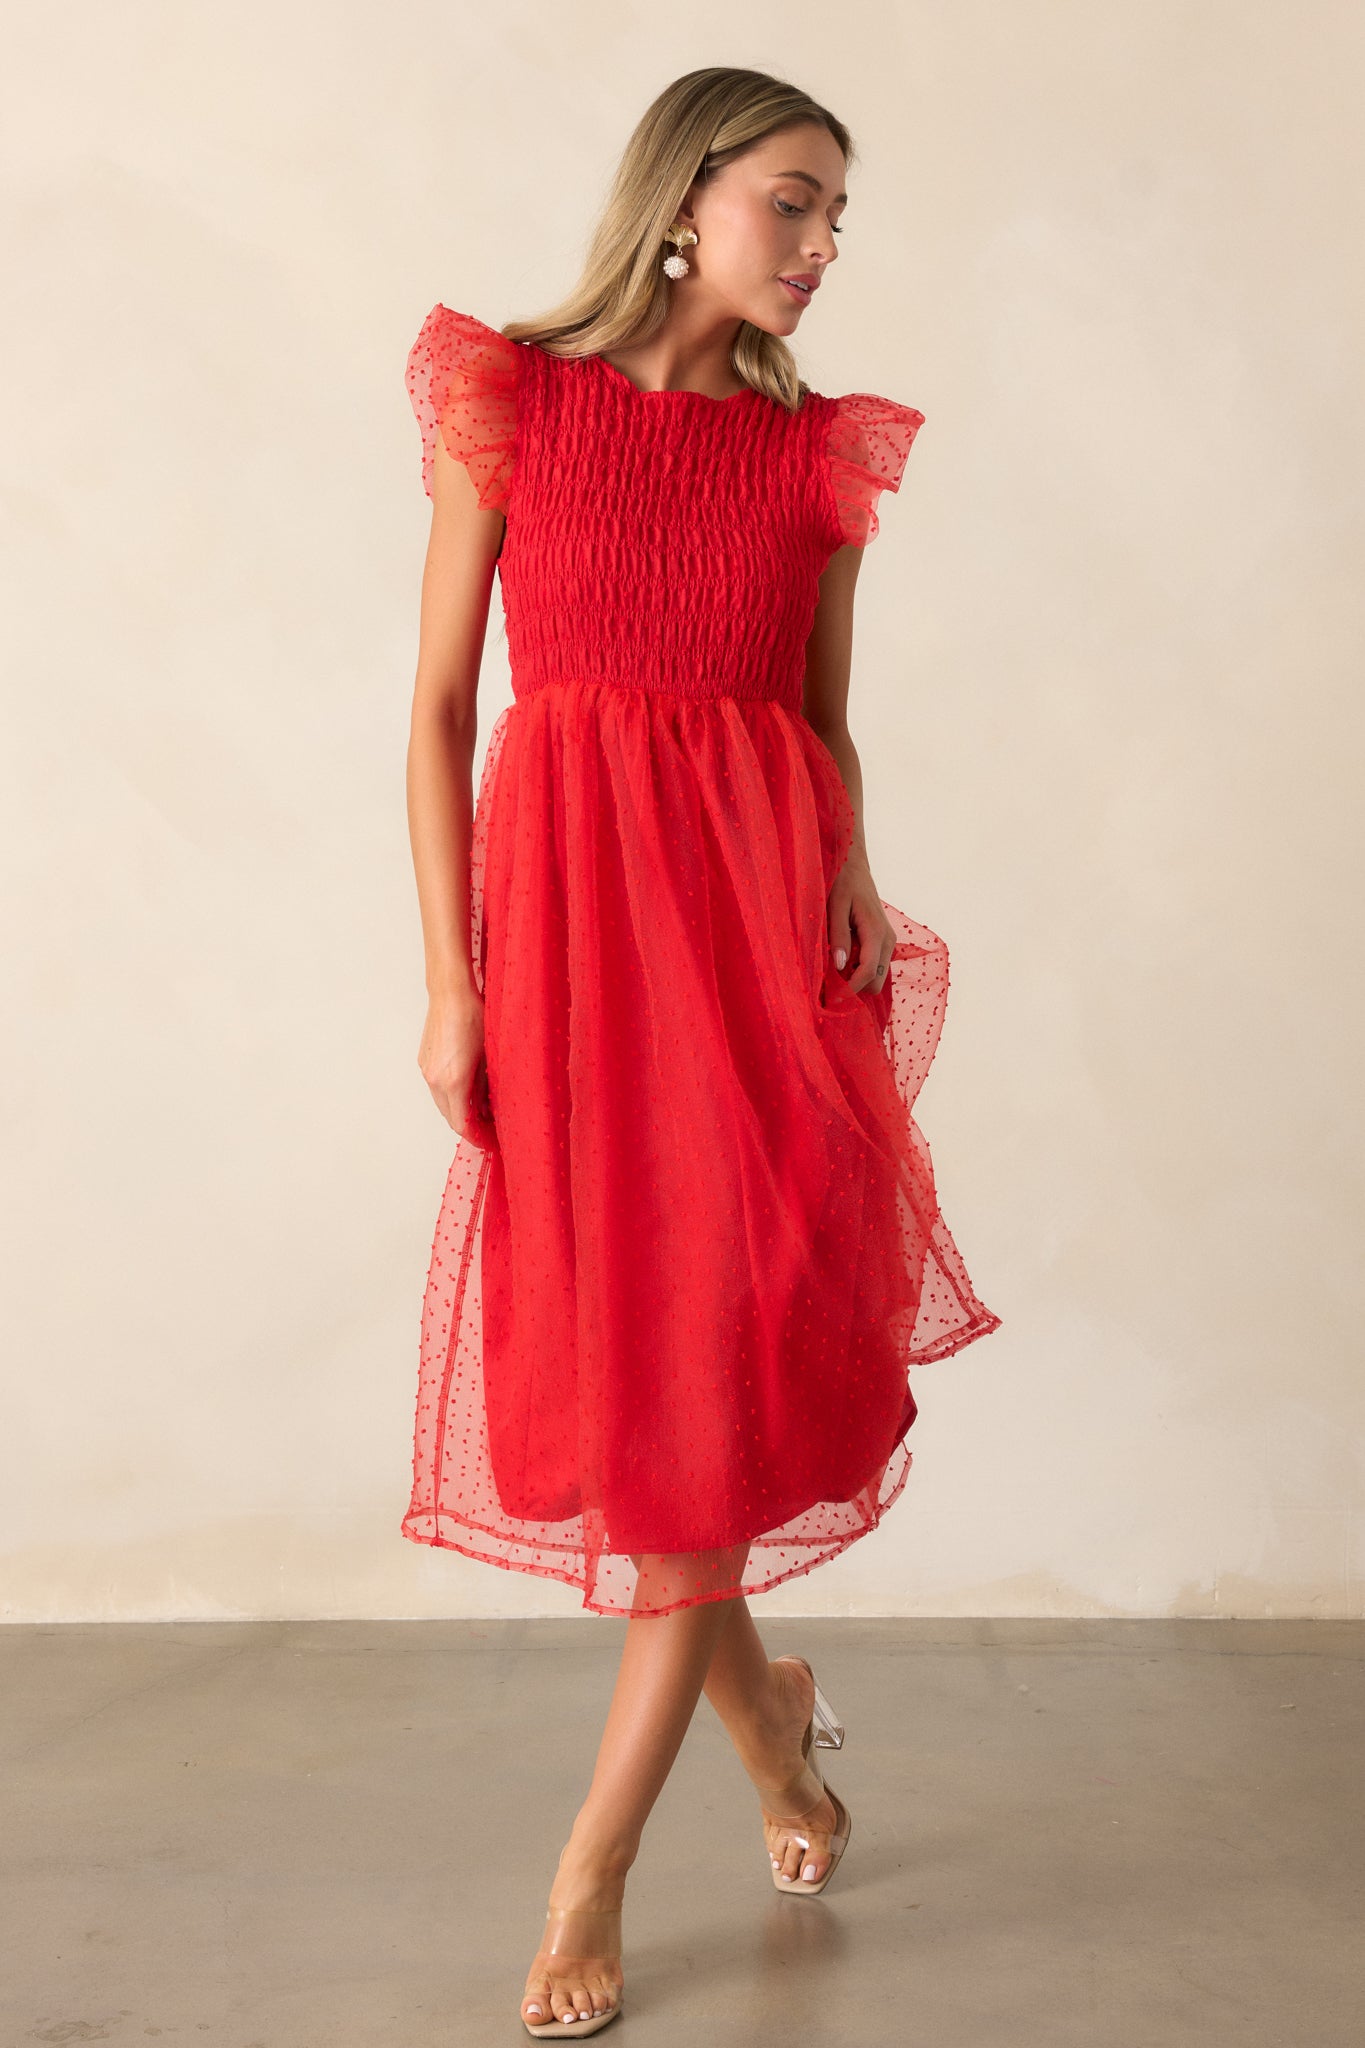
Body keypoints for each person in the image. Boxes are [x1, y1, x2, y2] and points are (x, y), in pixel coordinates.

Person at [402, 64, 1001, 2038]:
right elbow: (433, 720)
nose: (823, 251)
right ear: (683, 199)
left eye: (838, 217)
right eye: (792, 206)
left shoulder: (821, 456)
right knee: (653, 1411)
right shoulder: (512, 400)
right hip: (571, 961)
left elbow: (818, 724)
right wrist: (452, 981)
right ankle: (779, 1743)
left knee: (713, 1408)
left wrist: (850, 868)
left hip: (753, 962)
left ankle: (586, 1878)